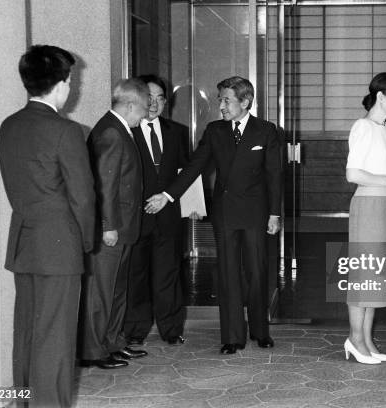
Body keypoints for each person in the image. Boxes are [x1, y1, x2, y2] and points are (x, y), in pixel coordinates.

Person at [145, 76, 281, 354]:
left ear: (245, 101)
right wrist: (168, 195)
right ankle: (232, 336)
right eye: (220, 100)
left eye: (227, 100)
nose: (221, 106)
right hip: (226, 212)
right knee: (228, 273)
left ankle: (259, 330)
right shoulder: (215, 131)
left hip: (256, 213)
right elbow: (195, 167)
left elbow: (275, 176)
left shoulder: (266, 131)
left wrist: (275, 214)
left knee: (257, 272)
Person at [0, 45, 95, 407]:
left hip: (24, 244)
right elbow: (83, 198)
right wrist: (85, 242)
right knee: (55, 338)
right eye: (71, 80)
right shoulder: (65, 131)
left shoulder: (10, 126)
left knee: (27, 333)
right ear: (60, 84)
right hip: (59, 248)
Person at [79, 79, 150, 369]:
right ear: (130, 105)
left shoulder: (120, 129)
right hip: (112, 229)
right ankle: (93, 351)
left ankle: (113, 343)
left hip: (123, 227)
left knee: (117, 290)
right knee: (102, 292)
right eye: (143, 109)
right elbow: (105, 185)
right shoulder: (111, 131)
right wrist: (108, 225)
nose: (145, 115)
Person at [344, 72, 386, 364]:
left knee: (376, 276)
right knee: (363, 276)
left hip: (385, 205)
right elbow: (353, 174)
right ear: (381, 96)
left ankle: (367, 341)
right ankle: (355, 340)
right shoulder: (363, 126)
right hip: (369, 204)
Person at [123, 75, 190, 346]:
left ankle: (171, 330)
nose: (154, 103)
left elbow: (186, 173)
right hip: (137, 217)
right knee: (136, 275)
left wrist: (191, 206)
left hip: (168, 216)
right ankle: (135, 331)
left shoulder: (177, 131)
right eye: (149, 97)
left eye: (160, 98)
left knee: (168, 274)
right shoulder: (127, 130)